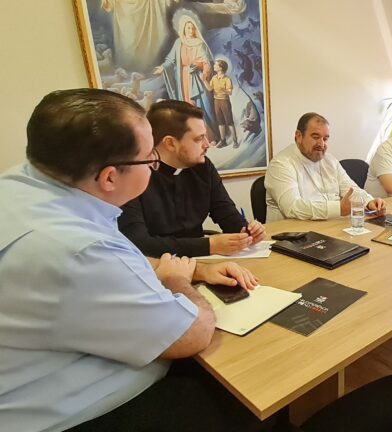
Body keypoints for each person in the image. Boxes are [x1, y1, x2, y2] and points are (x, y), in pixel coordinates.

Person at [0, 88, 272, 431]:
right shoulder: (80, 250)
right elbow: (193, 333)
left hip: (49, 377)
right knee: (252, 394)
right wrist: (178, 279)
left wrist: (200, 270)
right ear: (110, 177)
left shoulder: (26, 184)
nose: (155, 165)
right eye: (149, 159)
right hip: (82, 413)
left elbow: (127, 260)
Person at [119, 100, 265, 258]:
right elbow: (139, 243)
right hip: (155, 266)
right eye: (199, 139)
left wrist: (245, 231)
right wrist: (210, 245)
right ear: (170, 143)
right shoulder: (134, 176)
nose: (207, 144)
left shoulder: (203, 166)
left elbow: (225, 211)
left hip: (201, 260)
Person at [265, 112, 386, 222]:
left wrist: (369, 202)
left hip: (329, 228)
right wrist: (338, 208)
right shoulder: (280, 164)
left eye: (325, 138)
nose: (321, 144)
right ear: (299, 136)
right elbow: (292, 207)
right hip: (292, 234)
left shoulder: (330, 160)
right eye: (315, 137)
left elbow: (350, 190)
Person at [154, 11, 219, 144]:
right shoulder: (179, 43)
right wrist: (163, 68)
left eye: (193, 28)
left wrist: (199, 66)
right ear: (183, 29)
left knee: (202, 106)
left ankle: (210, 137)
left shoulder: (200, 44)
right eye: (188, 28)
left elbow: (207, 63)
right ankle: (191, 138)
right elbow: (171, 60)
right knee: (186, 107)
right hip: (183, 79)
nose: (191, 30)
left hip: (198, 79)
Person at [202, 59, 239, 148]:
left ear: (221, 68)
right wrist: (204, 80)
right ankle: (223, 141)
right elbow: (210, 89)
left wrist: (224, 90)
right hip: (216, 101)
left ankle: (235, 141)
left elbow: (230, 92)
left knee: (229, 121)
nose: (214, 66)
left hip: (224, 101)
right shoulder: (214, 78)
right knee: (220, 121)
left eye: (216, 65)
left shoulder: (227, 79)